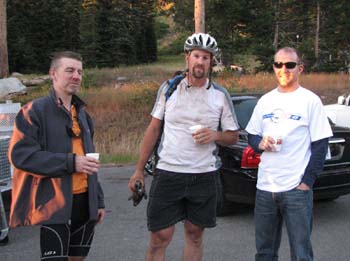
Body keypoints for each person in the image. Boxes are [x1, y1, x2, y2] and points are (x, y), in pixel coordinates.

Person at [128, 33, 239, 261]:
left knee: (195, 234)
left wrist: (215, 134)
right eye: (196, 55)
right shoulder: (168, 89)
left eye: (206, 57)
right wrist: (139, 169)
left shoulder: (220, 95)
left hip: (204, 175)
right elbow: (153, 129)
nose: (201, 61)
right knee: (160, 236)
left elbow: (233, 136)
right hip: (168, 173)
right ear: (187, 58)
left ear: (212, 62)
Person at [8, 51, 105, 261]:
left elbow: (90, 161)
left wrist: (98, 200)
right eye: (69, 70)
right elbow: (21, 156)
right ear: (53, 74)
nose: (76, 76)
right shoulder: (34, 111)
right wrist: (71, 162)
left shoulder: (82, 114)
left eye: (79, 72)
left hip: (84, 203)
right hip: (55, 204)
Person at [246, 47, 332, 261]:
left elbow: (321, 145)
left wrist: (307, 182)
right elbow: (252, 136)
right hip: (265, 188)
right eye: (278, 64)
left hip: (296, 190)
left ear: (299, 68)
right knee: (264, 253)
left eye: (290, 65)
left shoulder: (310, 100)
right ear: (274, 67)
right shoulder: (265, 101)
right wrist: (261, 143)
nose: (283, 69)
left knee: (301, 253)